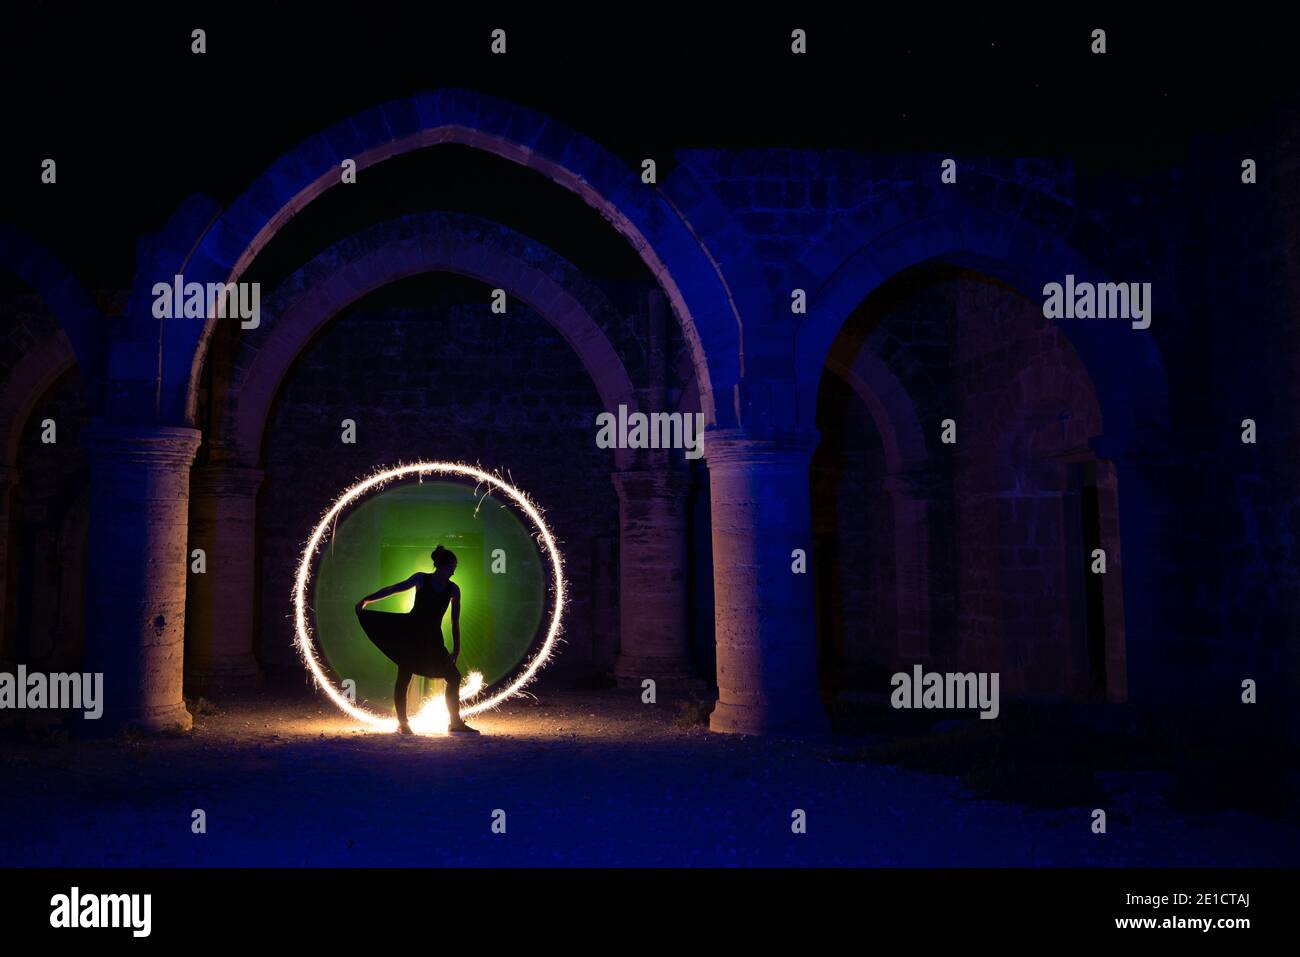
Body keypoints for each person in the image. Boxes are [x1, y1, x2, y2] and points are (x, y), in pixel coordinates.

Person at [354, 545, 479, 735]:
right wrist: (366, 600)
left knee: (454, 677)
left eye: (454, 568)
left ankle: (455, 723)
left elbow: (455, 622)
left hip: (433, 640)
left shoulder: (453, 589)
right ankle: (403, 724)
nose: (453, 571)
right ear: (439, 565)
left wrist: (457, 649)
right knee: (404, 676)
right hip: (411, 633)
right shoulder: (421, 578)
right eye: (450, 567)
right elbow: (394, 589)